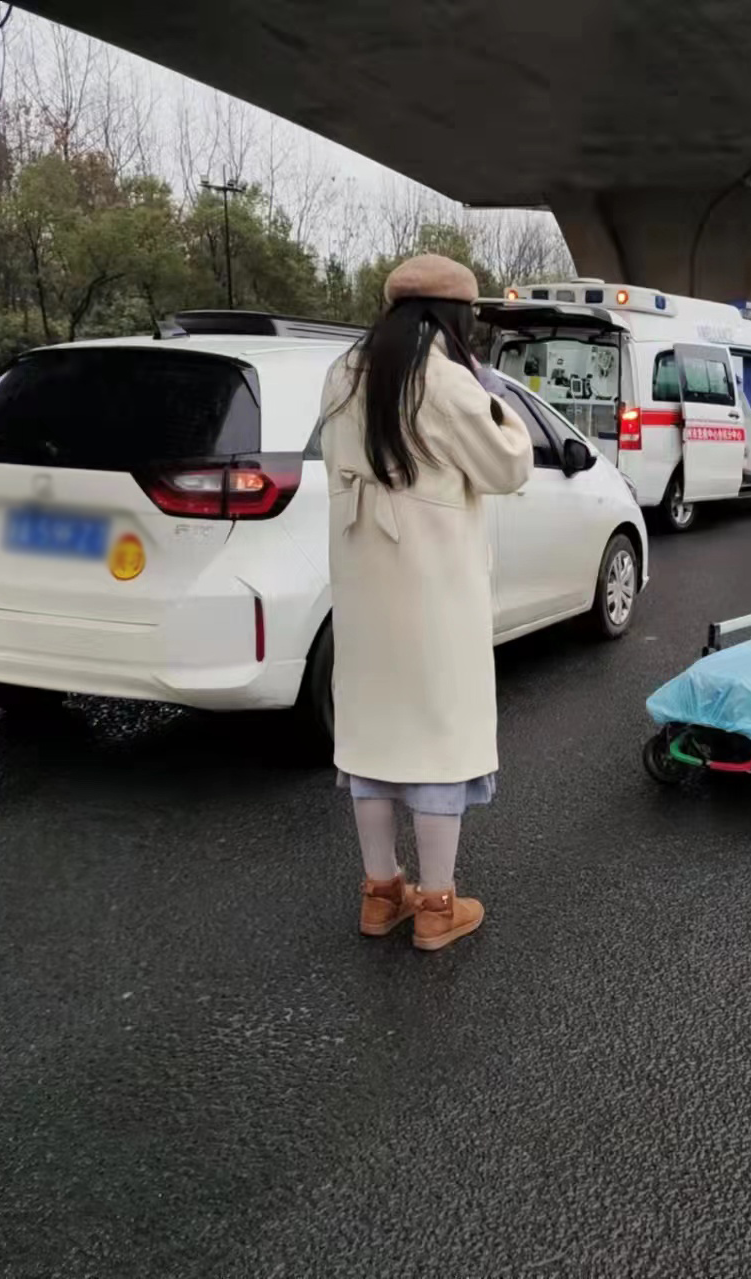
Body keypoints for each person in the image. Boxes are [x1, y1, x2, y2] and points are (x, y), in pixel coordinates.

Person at [320, 254, 534, 951]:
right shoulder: (444, 380)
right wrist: (494, 396)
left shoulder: (343, 373)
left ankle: (381, 894)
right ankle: (439, 905)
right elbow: (507, 466)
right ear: (454, 317)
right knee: (440, 738)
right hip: (433, 590)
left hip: (363, 585)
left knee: (374, 737)